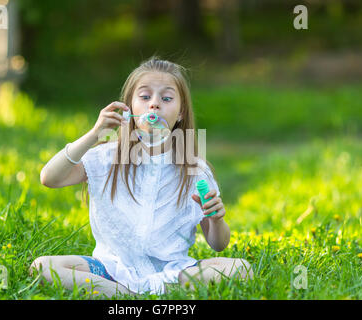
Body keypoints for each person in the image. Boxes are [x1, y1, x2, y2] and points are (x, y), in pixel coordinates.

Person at [30, 57, 253, 298]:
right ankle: (127, 295)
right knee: (43, 266)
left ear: (180, 113)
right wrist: (95, 134)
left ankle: (131, 294)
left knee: (240, 269)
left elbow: (218, 244)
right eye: (145, 97)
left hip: (174, 272)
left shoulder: (195, 170)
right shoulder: (105, 157)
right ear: (129, 109)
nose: (154, 104)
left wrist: (217, 220)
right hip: (111, 269)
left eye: (166, 98)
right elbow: (49, 178)